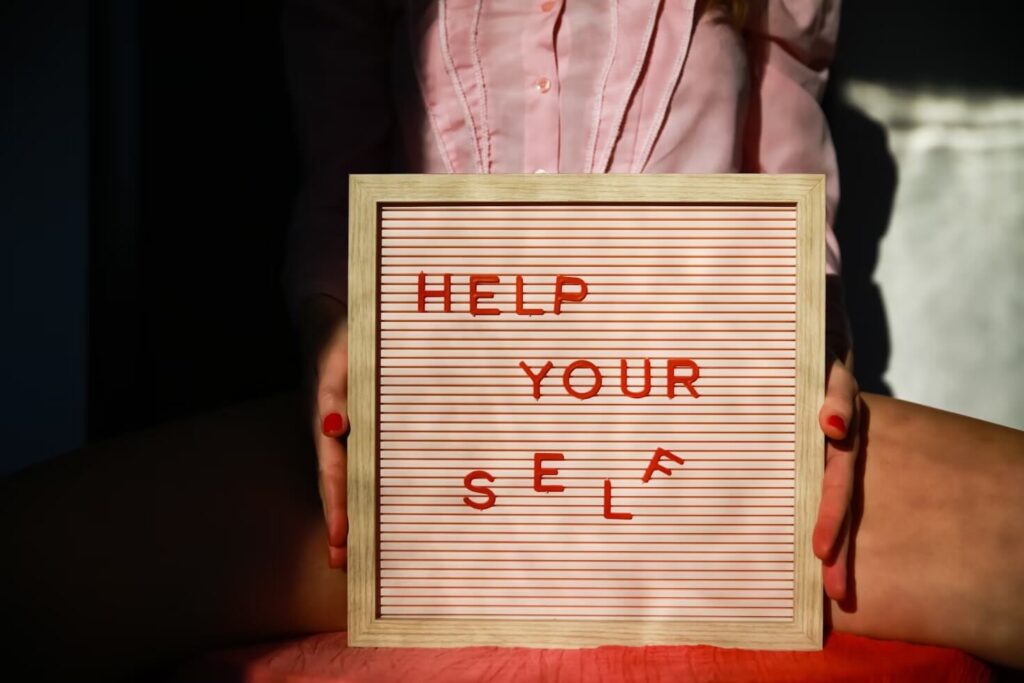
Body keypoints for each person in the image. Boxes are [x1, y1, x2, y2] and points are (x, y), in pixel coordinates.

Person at [2, 0, 1021, 678]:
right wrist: (333, 320)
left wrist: (809, 323)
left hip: (699, 422)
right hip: (445, 426)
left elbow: (787, 141)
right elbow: (341, 162)